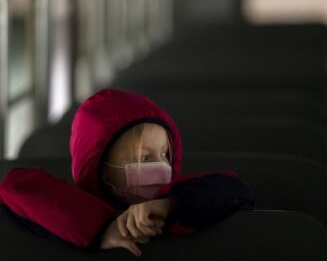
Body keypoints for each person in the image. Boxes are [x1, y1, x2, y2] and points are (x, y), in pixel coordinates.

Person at [0, 89, 254, 257]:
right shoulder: (78, 204)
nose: (162, 166)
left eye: (166, 154)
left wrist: (171, 205)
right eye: (144, 158)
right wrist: (103, 227)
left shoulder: (177, 195)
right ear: (103, 168)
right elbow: (14, 187)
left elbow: (236, 190)